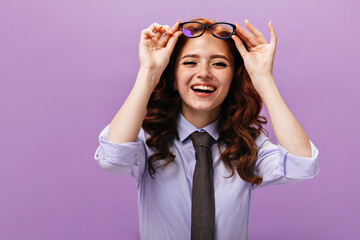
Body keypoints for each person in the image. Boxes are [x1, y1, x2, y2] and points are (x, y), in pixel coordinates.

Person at [94, 18, 319, 240]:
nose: (204, 72)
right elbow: (112, 157)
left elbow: (302, 164)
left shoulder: (248, 145)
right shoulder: (148, 139)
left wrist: (262, 77)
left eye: (219, 63)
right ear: (173, 76)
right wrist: (149, 71)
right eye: (190, 62)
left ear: (233, 78)